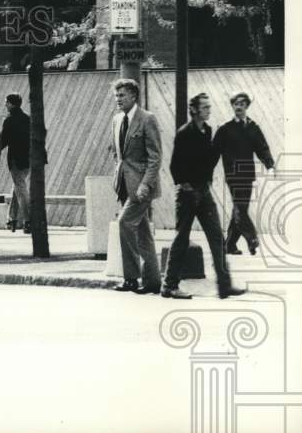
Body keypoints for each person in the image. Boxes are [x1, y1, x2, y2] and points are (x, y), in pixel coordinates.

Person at [162, 93, 246, 300]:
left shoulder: (207, 130)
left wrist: (207, 179)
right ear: (194, 110)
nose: (209, 110)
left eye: (209, 107)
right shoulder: (185, 133)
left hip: (204, 192)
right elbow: (175, 165)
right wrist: (186, 185)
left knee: (217, 236)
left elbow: (207, 159)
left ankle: (224, 286)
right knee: (182, 238)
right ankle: (169, 286)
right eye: (205, 107)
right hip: (188, 194)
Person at [109, 78, 163, 295]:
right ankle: (153, 281)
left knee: (124, 223)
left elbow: (155, 157)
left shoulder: (147, 119)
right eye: (116, 95)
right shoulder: (116, 120)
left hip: (141, 187)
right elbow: (117, 153)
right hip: (123, 184)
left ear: (134, 96)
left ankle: (131, 278)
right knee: (142, 233)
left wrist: (145, 184)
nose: (118, 99)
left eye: (122, 95)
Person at [213, 91, 275, 256]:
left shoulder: (253, 128)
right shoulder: (225, 128)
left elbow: (262, 148)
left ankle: (229, 245)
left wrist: (270, 166)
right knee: (240, 208)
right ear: (232, 106)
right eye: (236, 104)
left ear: (247, 106)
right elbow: (213, 152)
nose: (238, 107)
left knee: (240, 208)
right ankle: (252, 238)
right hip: (233, 175)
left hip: (247, 174)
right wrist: (205, 172)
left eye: (242, 104)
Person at [0, 93, 31, 234]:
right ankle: (12, 219)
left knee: (21, 189)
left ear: (12, 104)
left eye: (6, 102)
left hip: (15, 160)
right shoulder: (28, 119)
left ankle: (28, 221)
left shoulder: (9, 120)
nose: (5, 104)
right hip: (28, 159)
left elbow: (3, 141)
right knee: (18, 186)